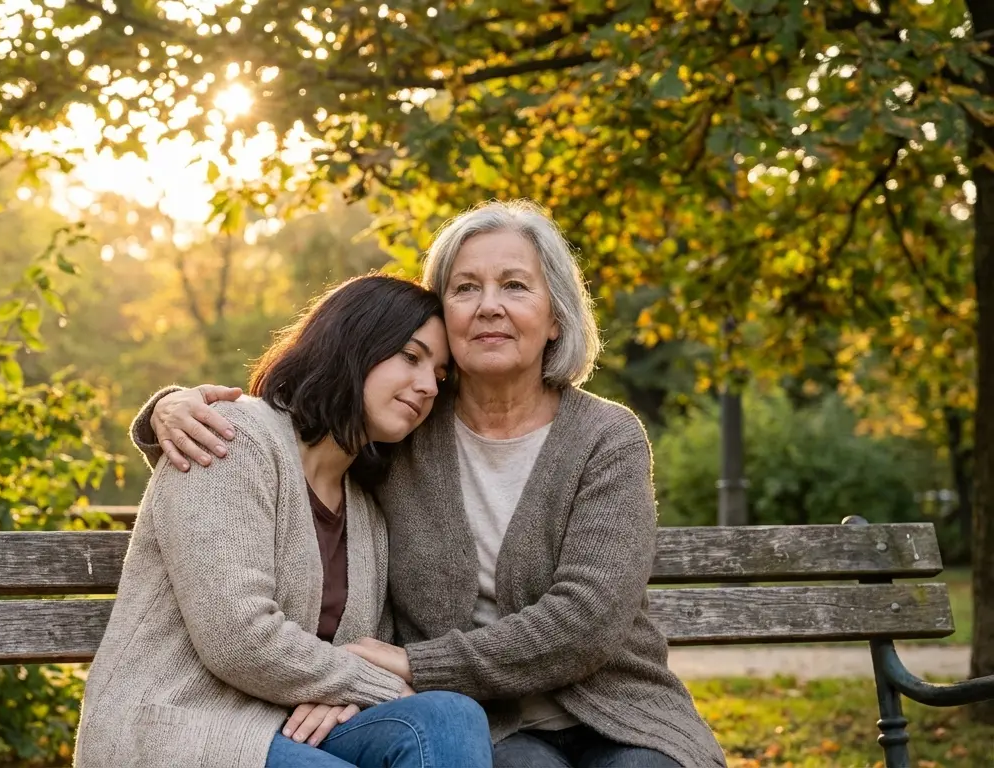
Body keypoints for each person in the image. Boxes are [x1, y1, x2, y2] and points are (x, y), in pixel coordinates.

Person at [133, 201, 727, 768]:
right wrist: (168, 407)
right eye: (465, 288)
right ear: (445, 315)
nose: (488, 305)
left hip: (617, 713)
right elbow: (292, 426)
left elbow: (587, 619)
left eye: (514, 286)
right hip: (486, 724)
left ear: (556, 317)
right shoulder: (401, 429)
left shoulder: (607, 437)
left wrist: (409, 667)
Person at [74, 274, 493, 768]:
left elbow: (359, 651)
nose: (427, 386)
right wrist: (377, 687)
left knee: (450, 717)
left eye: (440, 376)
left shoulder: (367, 513)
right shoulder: (231, 438)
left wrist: (344, 692)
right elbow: (239, 638)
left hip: (286, 727)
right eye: (410, 355)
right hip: (178, 729)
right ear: (352, 343)